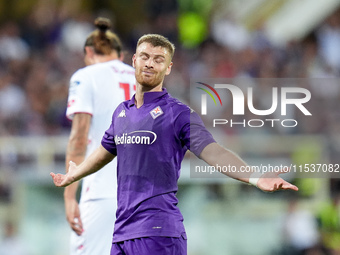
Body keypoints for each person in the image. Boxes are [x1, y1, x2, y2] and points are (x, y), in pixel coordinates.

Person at [51, 34, 298, 255]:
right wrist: (75, 174)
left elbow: (214, 151)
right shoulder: (122, 113)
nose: (149, 63)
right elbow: (104, 152)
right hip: (122, 232)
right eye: (145, 56)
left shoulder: (177, 113)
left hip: (159, 232)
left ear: (168, 68)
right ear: (134, 60)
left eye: (158, 60)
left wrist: (254, 177)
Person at [64, 17, 135, 255]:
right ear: (121, 55)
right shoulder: (144, 78)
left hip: (103, 192)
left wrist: (69, 195)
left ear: (88, 52)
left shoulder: (86, 76)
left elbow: (79, 137)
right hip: (145, 196)